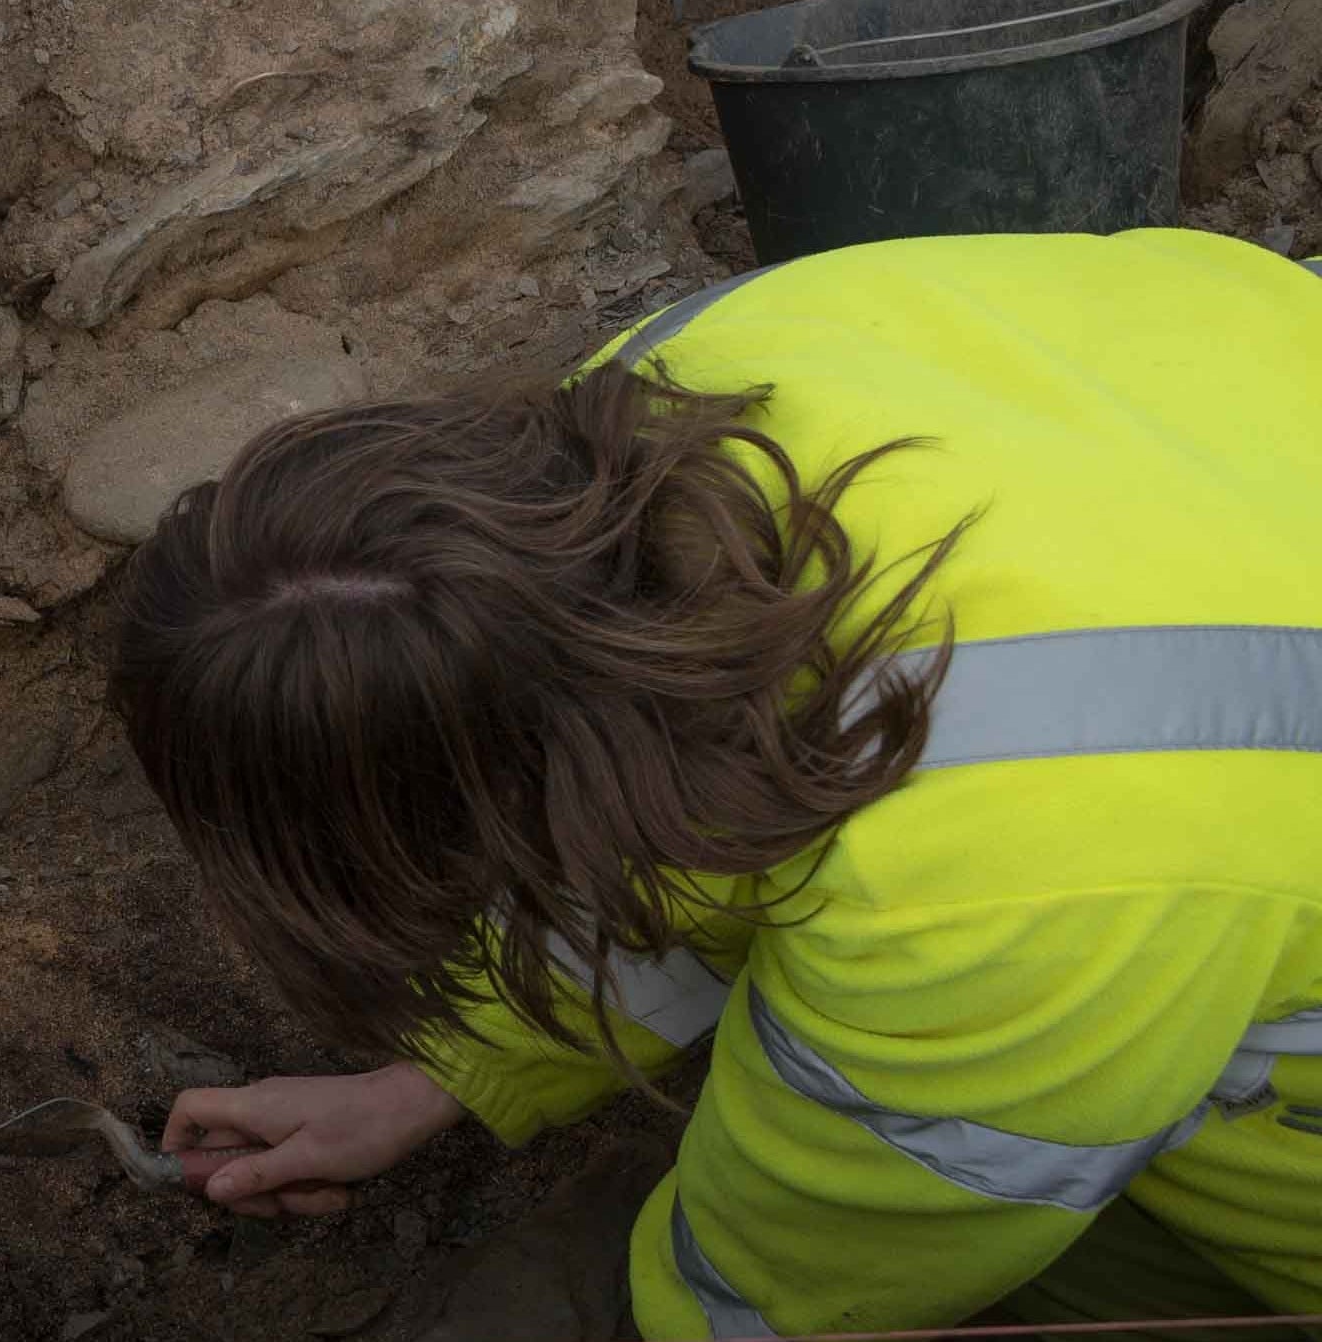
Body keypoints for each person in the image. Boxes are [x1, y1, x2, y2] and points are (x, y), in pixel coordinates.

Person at [111, 228, 1322, 1338]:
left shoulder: (1005, 875)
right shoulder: (665, 387)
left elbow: (836, 1260)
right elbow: (654, 781)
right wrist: (443, 1073)